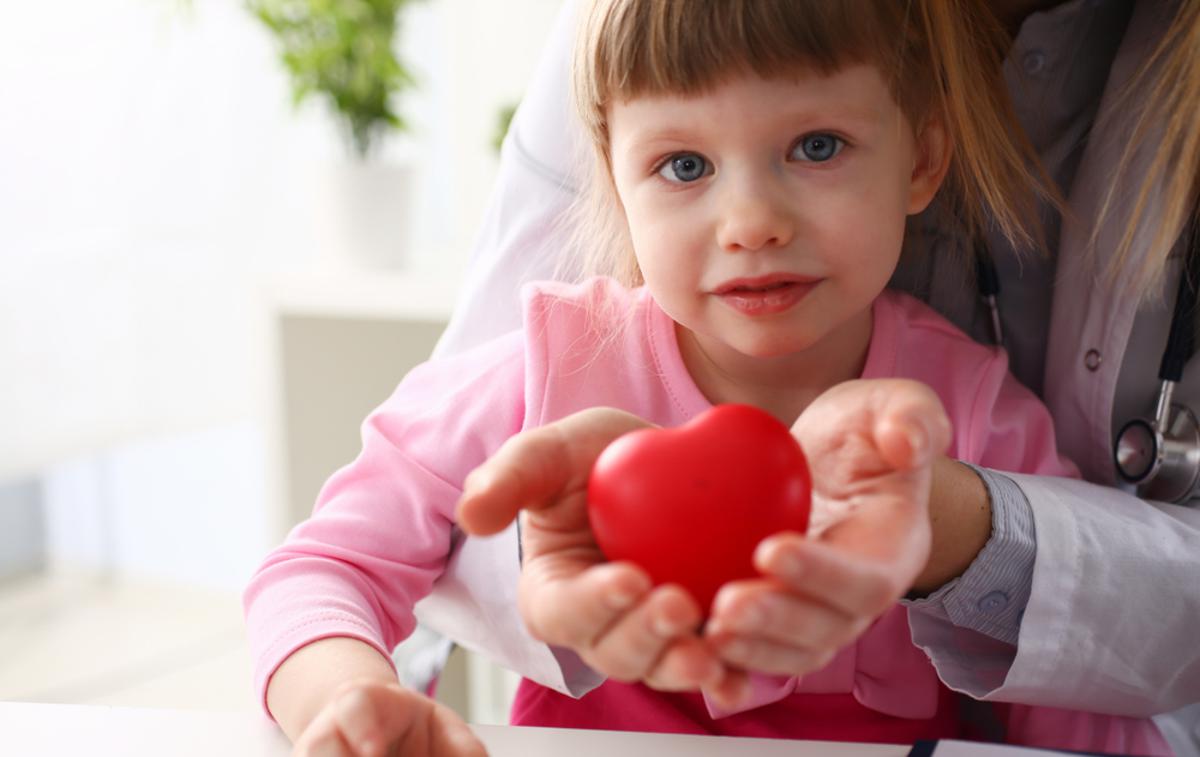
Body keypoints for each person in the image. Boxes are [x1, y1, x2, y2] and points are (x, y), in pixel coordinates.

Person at [242, 0, 1183, 754]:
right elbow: (321, 566)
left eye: (816, 146)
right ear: (612, 180)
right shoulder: (546, 366)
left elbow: (1082, 701)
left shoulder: (966, 417)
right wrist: (354, 698)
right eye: (684, 164)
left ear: (922, 159)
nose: (751, 220)